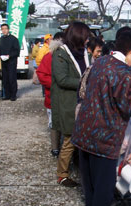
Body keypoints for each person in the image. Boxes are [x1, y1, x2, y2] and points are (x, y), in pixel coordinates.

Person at [71, 30, 131, 206]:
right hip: (105, 134)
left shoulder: (101, 61)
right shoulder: (124, 72)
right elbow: (128, 105)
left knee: (89, 181)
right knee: (104, 183)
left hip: (85, 129)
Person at [51, 22, 91, 187]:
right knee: (69, 139)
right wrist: (86, 83)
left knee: (80, 138)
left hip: (82, 101)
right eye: (86, 37)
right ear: (78, 37)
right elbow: (62, 79)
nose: (88, 40)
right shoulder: (61, 54)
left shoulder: (82, 53)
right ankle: (62, 174)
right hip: (68, 102)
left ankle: (80, 168)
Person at [36, 32, 65, 158]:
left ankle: (62, 147)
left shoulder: (67, 56)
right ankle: (55, 147)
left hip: (61, 95)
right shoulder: (49, 56)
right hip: (52, 95)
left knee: (63, 122)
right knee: (54, 123)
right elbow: (41, 74)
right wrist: (56, 84)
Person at [0, 23, 20, 101]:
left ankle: (13, 95)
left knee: (12, 78)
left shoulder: (14, 39)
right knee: (5, 78)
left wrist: (9, 56)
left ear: (8, 29)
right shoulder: (1, 39)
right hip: (3, 61)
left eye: (5, 29)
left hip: (12, 61)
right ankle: (7, 94)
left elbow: (17, 51)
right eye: (2, 29)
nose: (4, 30)